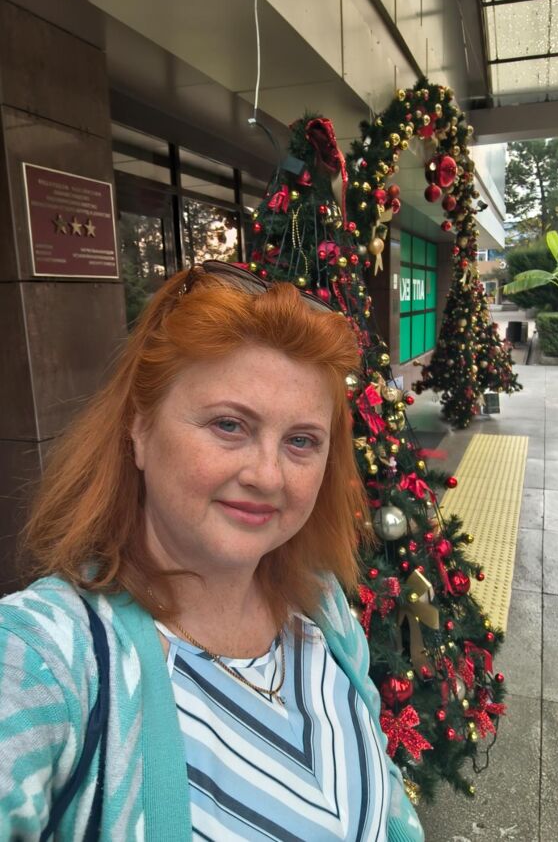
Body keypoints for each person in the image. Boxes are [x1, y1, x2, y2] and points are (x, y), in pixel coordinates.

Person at [0, 261, 424, 841]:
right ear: (139, 429)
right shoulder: (46, 659)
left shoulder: (322, 610)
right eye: (229, 425)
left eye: (301, 441)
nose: (267, 475)